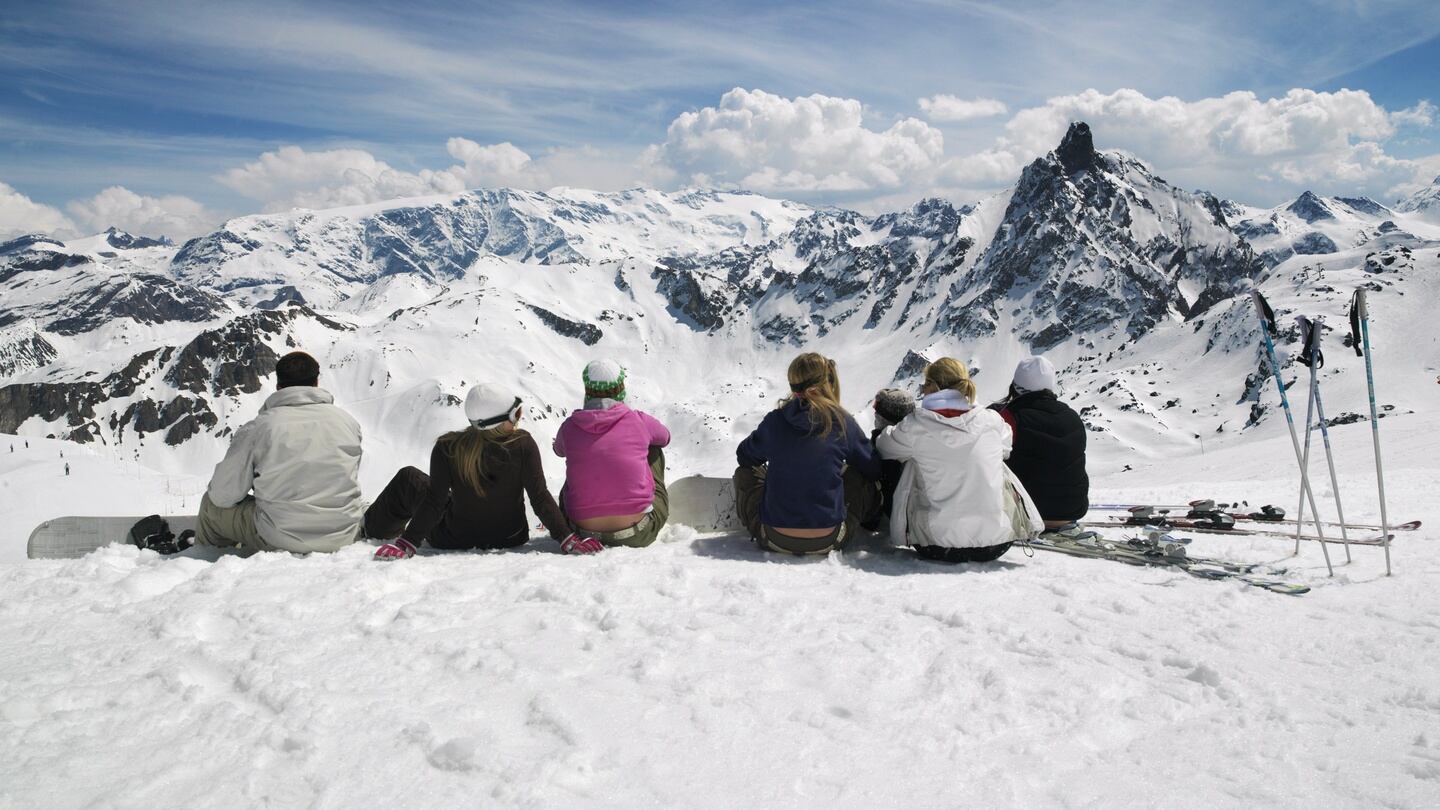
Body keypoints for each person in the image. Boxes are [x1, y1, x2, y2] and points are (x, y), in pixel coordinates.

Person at [365, 382, 578, 559]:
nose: (519, 418)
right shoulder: (523, 445)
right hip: (511, 536)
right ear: (499, 421)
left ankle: (368, 530)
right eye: (515, 413)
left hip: (452, 538)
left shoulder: (448, 447)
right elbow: (539, 496)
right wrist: (566, 538)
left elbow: (435, 502)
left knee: (408, 478)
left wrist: (407, 543)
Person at [195, 351, 364, 554]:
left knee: (210, 506)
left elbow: (223, 496)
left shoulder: (259, 428)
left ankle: (205, 560)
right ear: (316, 382)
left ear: (279, 386)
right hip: (344, 535)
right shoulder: (347, 422)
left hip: (281, 538)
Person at [876, 357, 1042, 563]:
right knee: (996, 460)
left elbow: (884, 447)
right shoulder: (992, 421)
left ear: (933, 386)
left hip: (936, 545)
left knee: (910, 460)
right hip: (996, 544)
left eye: (925, 384)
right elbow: (1006, 447)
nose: (922, 390)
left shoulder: (916, 425)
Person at [734, 353, 881, 555]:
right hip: (831, 539)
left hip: (773, 537)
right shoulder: (842, 422)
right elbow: (872, 467)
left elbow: (745, 456)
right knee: (859, 475)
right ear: (827, 383)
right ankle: (876, 523)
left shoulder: (776, 421)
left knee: (745, 472)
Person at [552, 360, 671, 552]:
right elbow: (665, 437)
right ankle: (641, 506)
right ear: (621, 387)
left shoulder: (569, 426)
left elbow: (558, 450)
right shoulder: (638, 420)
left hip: (581, 533)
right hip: (637, 534)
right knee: (654, 448)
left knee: (578, 460)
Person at [990, 356, 1089, 533]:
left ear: (1016, 386)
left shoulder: (1008, 418)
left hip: (1027, 513)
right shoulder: (1073, 417)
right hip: (1072, 510)